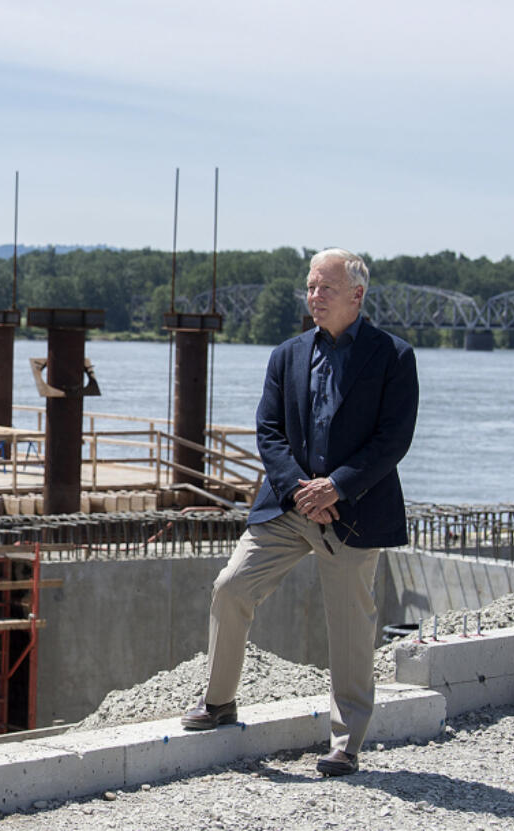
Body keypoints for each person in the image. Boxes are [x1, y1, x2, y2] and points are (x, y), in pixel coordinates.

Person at [180, 248, 419, 778]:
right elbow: (268, 430)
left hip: (350, 514)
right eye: (310, 287)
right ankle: (219, 703)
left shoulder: (393, 356)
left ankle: (346, 742)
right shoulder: (286, 354)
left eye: (325, 288)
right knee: (231, 587)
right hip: (288, 508)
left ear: (357, 295)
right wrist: (298, 490)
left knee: (351, 626)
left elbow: (392, 440)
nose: (314, 297)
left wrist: (335, 487)